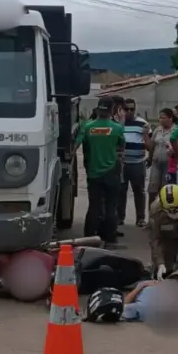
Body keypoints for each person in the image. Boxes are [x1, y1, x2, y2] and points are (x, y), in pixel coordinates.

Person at [75, 97, 125, 248]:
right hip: (111, 171)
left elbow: (77, 146)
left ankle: (89, 238)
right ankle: (109, 240)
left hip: (93, 173)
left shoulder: (87, 127)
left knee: (94, 206)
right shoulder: (117, 128)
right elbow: (121, 147)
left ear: (98, 109)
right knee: (111, 206)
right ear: (112, 110)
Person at [118, 98, 150, 227]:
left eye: (132, 109)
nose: (129, 112)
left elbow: (149, 145)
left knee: (139, 191)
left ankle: (140, 218)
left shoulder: (142, 124)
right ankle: (119, 217)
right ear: (122, 109)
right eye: (127, 109)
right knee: (121, 191)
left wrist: (146, 135)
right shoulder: (118, 123)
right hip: (122, 164)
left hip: (137, 163)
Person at [146, 108, 177, 204]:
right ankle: (152, 210)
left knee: (165, 190)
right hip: (156, 164)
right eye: (159, 118)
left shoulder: (176, 130)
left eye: (163, 118)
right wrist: (150, 158)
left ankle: (163, 211)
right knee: (152, 190)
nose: (160, 120)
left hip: (169, 165)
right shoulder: (157, 130)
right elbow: (151, 146)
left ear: (170, 118)